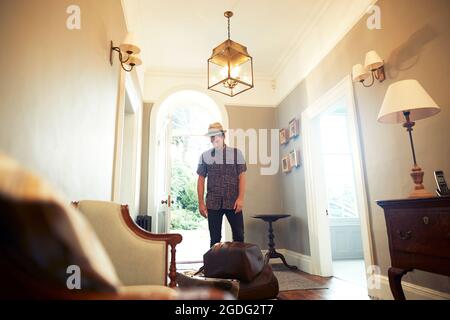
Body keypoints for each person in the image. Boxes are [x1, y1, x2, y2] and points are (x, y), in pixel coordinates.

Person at [197, 123, 247, 247]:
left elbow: (242, 177)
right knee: (214, 238)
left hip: (233, 202)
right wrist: (201, 202)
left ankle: (238, 265)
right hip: (213, 203)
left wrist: (240, 198)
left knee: (239, 236)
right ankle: (216, 266)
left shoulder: (236, 154)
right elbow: (201, 179)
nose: (214, 139)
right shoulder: (205, 156)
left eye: (217, 135)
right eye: (212, 136)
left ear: (223, 136)